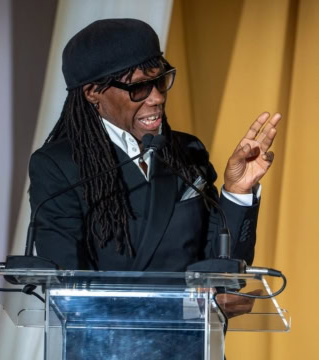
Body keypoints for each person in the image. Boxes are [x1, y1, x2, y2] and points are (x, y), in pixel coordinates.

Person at [28, 18, 280, 272]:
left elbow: (223, 269)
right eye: (139, 87)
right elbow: (66, 285)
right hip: (112, 313)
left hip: (192, 313)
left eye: (160, 81)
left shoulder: (188, 152)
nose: (158, 97)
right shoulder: (58, 167)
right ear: (93, 92)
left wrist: (237, 191)